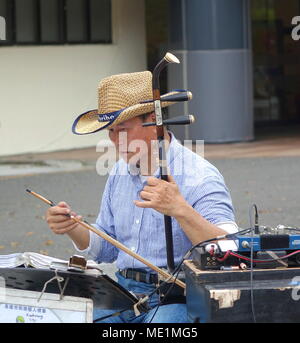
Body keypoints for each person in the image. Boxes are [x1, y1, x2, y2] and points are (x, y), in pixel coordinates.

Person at [45, 70, 238, 323]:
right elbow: (108, 248)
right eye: (111, 131)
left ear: (154, 121)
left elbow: (229, 252)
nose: (116, 140)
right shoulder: (118, 172)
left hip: (177, 297)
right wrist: (72, 227)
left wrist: (180, 209)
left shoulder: (199, 175)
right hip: (121, 294)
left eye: (123, 129)